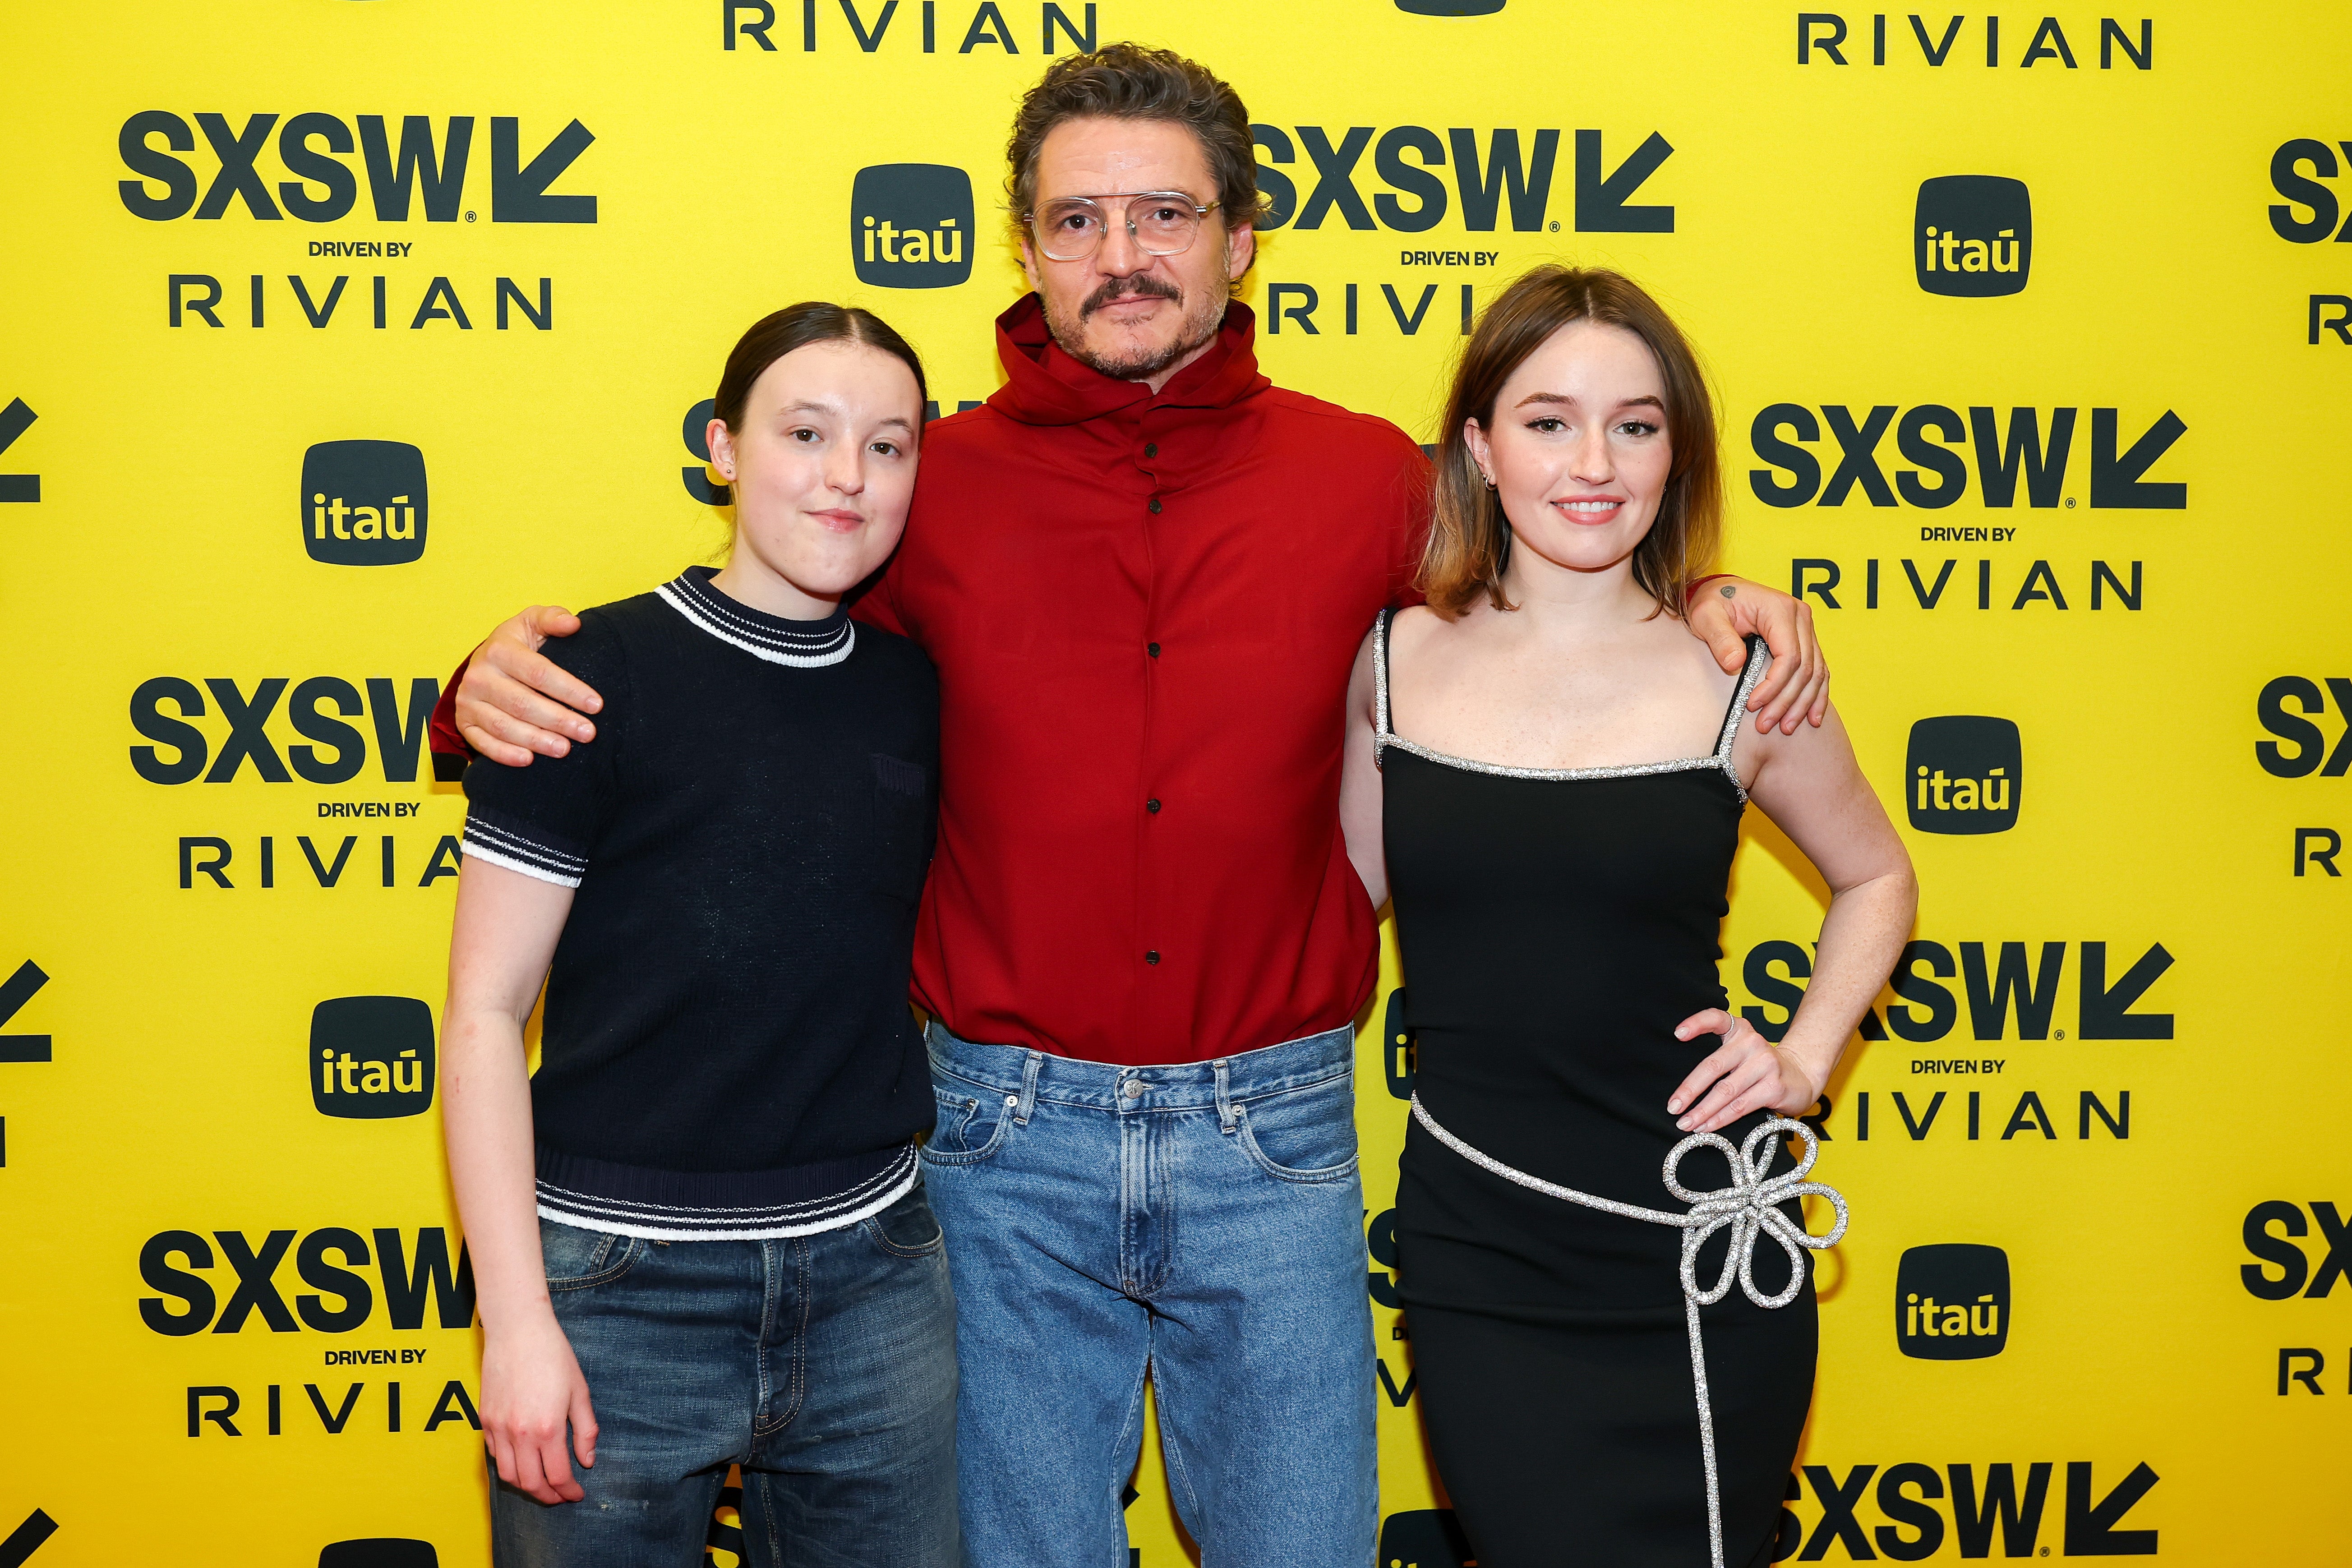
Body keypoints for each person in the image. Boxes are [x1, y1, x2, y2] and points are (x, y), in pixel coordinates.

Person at [432, 47, 1833, 1568]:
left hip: (1274, 1135)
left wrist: (1709, 598)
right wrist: (485, 686)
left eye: (1165, 214)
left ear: (1242, 239)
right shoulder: (917, 481)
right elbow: (741, 655)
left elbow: (1564, 553)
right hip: (999, 1145)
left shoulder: (1372, 479)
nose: (1122, 255)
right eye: (1077, 220)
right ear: (1027, 247)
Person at [1339, 266, 1916, 1568]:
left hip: (1696, 1234)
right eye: (1549, 421)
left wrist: (1806, 1057)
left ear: (1676, 453)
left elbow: (1878, 877)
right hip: (1479, 1239)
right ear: (1480, 446)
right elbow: (1337, 906)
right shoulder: (1390, 665)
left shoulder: (1742, 676)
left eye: (1636, 425)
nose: (1594, 463)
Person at [438, 303, 957, 1567]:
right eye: (805, 433)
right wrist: (517, 1322)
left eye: (888, 445)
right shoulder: (583, 676)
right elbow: (485, 1013)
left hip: (875, 1285)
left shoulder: (916, 688)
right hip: (617, 1292)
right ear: (723, 447)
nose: (847, 476)